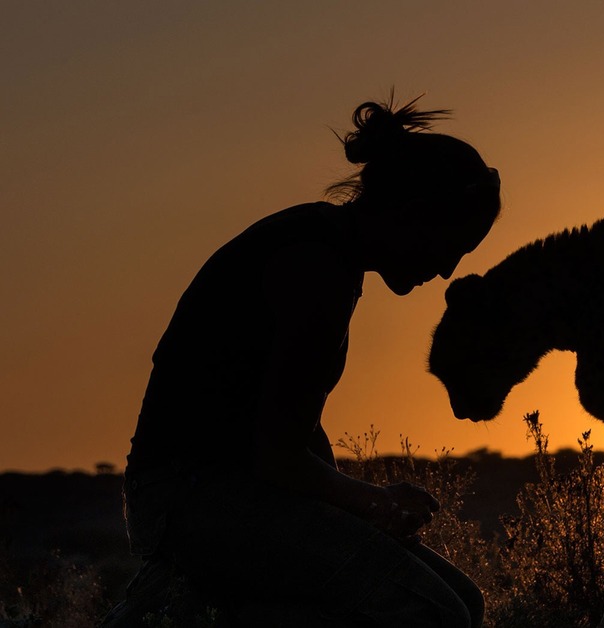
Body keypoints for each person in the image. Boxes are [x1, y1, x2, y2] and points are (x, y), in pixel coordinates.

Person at [102, 96, 500, 627]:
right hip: (193, 501)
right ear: (412, 216)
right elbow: (279, 456)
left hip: (218, 495)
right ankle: (183, 604)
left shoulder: (325, 249)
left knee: (464, 605)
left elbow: (291, 429)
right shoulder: (315, 268)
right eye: (452, 246)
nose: (448, 270)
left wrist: (353, 509)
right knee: (432, 614)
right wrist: (373, 504)